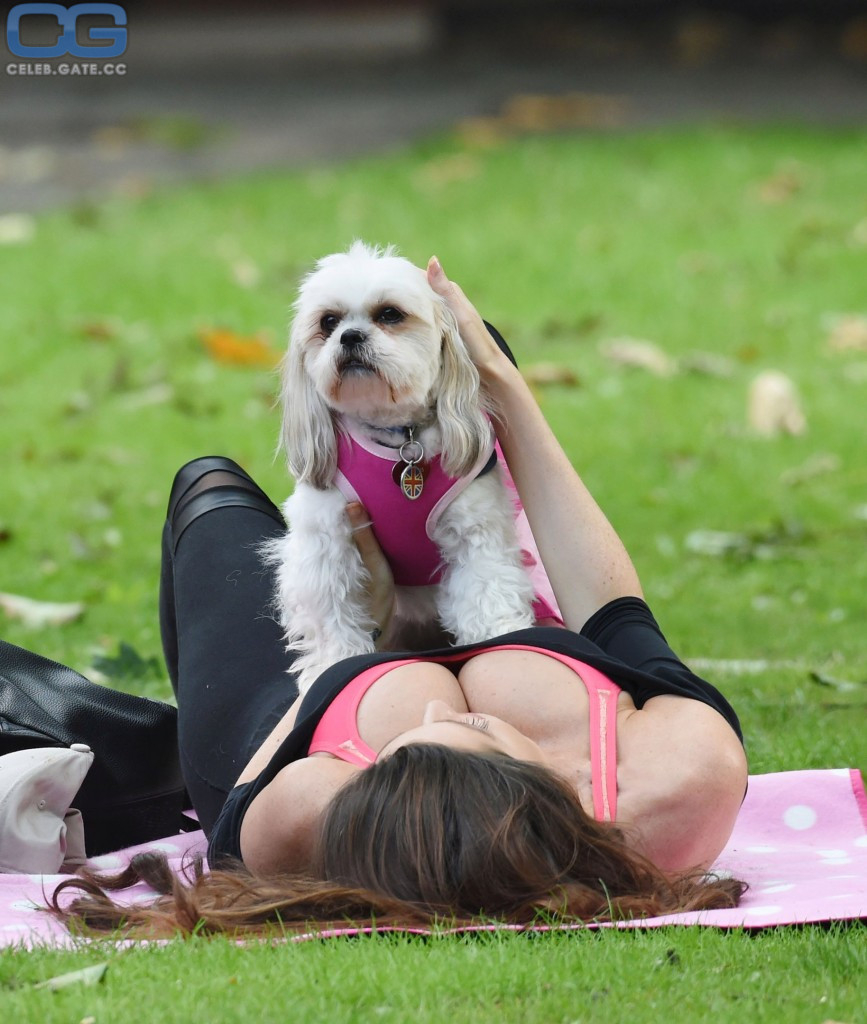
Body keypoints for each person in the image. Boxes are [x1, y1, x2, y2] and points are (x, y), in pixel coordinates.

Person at [50, 258, 747, 936]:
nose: (446, 704)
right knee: (486, 353)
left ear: (375, 793)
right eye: (472, 736)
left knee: (207, 484)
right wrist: (499, 385)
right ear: (543, 801)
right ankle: (484, 385)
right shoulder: (675, 783)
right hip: (485, 595)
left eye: (415, 746)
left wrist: (368, 642)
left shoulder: (301, 818)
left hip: (293, 703)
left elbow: (250, 806)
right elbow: (620, 618)